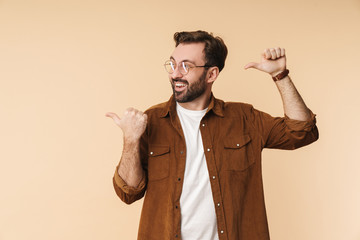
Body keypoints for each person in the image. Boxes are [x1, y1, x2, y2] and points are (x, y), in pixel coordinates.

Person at [106, 30, 319, 240]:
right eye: (172, 64)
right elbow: (128, 193)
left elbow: (302, 132)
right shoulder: (150, 120)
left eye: (186, 66)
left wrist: (279, 75)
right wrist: (130, 139)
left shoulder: (244, 119)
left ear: (211, 74)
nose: (175, 74)